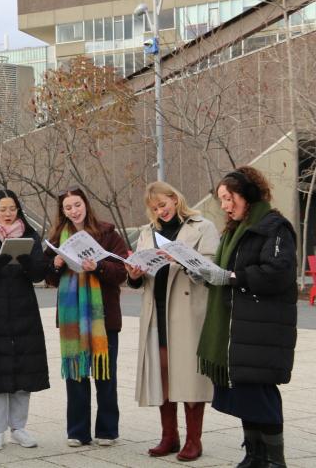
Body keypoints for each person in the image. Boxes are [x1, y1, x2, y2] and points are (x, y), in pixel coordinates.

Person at [196, 166, 297, 468]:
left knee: (260, 392)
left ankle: (274, 460)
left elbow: (278, 273)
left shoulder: (274, 227)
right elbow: (227, 272)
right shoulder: (234, 231)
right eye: (222, 200)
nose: (225, 205)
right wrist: (205, 273)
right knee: (244, 392)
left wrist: (231, 276)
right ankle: (254, 455)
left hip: (261, 329)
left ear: (248, 194)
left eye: (229, 198)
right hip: (239, 328)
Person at [126, 182, 218, 461]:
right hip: (157, 310)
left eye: (163, 205)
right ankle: (169, 436)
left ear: (175, 199)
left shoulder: (203, 226)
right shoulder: (147, 232)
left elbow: (212, 272)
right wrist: (133, 272)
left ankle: (194, 440)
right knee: (163, 373)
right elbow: (137, 281)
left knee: (189, 375)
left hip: (188, 310)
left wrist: (180, 259)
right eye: (154, 208)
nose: (160, 211)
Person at [44, 186, 127, 448]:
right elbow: (48, 277)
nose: (73, 211)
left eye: (77, 205)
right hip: (72, 318)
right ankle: (78, 431)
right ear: (63, 212)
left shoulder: (107, 233)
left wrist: (99, 266)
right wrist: (55, 266)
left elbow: (122, 271)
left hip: (104, 317)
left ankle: (107, 430)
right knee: (76, 374)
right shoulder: (58, 237)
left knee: (106, 374)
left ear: (86, 205)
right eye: (68, 208)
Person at [0, 189, 49, 451]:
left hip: (25, 310)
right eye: (3, 209)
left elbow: (39, 274)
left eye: (12, 208)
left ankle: (19, 428)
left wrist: (26, 259)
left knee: (23, 369)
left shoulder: (30, 235)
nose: (8, 214)